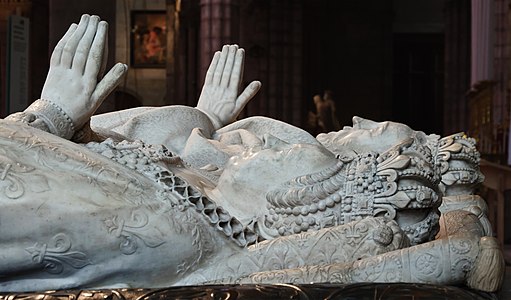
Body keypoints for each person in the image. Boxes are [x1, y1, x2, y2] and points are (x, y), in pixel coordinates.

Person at [0, 15, 504, 293]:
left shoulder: (159, 225)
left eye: (327, 144)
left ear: (314, 200)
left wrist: (49, 117)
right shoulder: (196, 199)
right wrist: (204, 123)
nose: (267, 135)